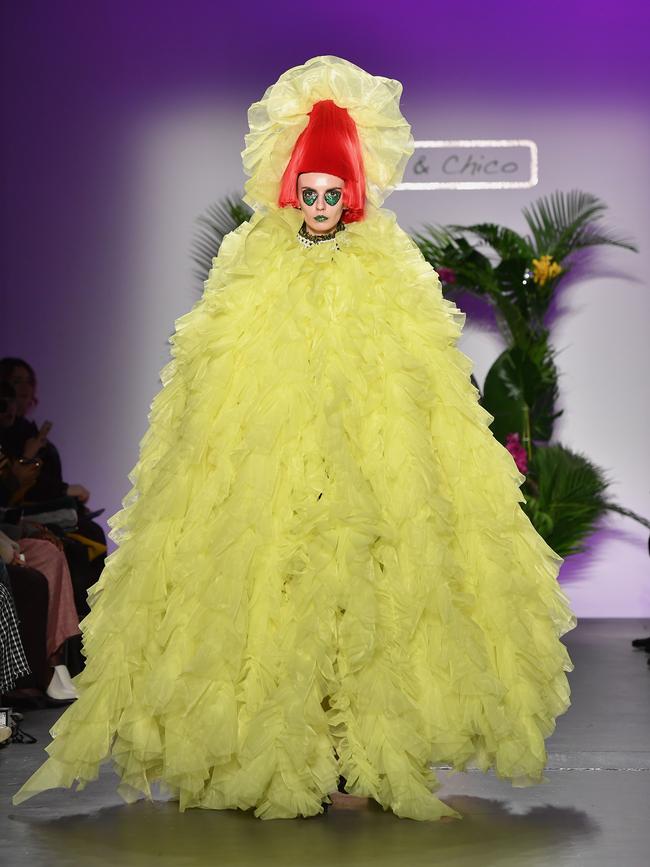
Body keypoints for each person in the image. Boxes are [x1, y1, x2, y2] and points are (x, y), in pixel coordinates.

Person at [12, 55, 577, 821]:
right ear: (292, 191)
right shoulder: (255, 257)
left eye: (330, 193)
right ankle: (284, 757)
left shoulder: (384, 262)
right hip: (273, 467)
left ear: (350, 192)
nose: (317, 204)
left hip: (361, 466)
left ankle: (362, 756)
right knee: (274, 610)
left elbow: (414, 365)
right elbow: (217, 356)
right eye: (307, 193)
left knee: (365, 610)